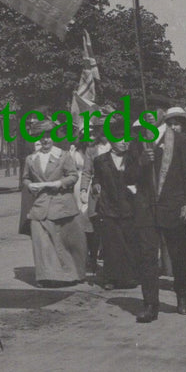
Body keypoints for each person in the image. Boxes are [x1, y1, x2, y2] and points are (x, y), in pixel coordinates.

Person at [133, 107, 186, 320]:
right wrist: (141, 162)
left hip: (173, 208)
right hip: (146, 209)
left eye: (155, 109)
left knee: (177, 255)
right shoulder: (137, 142)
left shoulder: (180, 140)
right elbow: (127, 177)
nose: (150, 113)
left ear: (164, 114)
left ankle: (181, 295)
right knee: (147, 258)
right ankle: (150, 305)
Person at [20, 119, 88, 287]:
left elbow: (73, 175)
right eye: (41, 137)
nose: (45, 140)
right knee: (42, 243)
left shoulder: (63, 155)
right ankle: (46, 276)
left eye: (48, 137)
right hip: (41, 205)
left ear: (53, 137)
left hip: (62, 203)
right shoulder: (31, 159)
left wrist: (58, 183)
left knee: (65, 243)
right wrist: (30, 185)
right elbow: (25, 178)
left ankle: (71, 274)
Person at [91, 115, 140, 290]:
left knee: (128, 241)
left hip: (129, 206)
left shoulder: (133, 158)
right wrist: (96, 185)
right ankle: (110, 278)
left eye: (125, 138)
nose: (123, 142)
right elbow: (97, 178)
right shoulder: (100, 160)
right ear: (111, 141)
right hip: (108, 206)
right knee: (111, 243)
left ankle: (129, 277)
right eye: (119, 139)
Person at [78, 116, 111, 274]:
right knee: (93, 224)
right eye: (100, 128)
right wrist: (84, 190)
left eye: (106, 127)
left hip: (115, 191)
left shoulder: (118, 146)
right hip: (97, 191)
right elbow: (87, 172)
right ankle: (92, 258)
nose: (103, 131)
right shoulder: (92, 149)